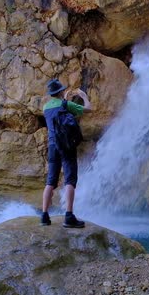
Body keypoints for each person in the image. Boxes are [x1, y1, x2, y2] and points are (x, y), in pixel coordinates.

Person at [40, 79, 92, 228]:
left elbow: (57, 112)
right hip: (67, 145)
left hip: (52, 145)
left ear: (51, 93)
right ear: (61, 91)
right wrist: (83, 97)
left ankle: (44, 215)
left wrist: (64, 99)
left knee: (51, 180)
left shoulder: (45, 107)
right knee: (70, 179)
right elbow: (89, 109)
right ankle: (69, 216)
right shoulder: (66, 105)